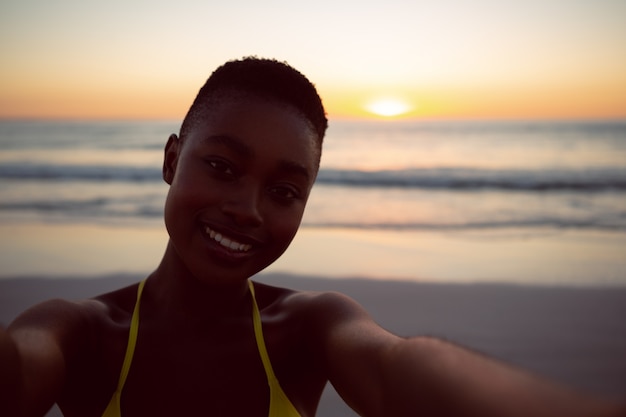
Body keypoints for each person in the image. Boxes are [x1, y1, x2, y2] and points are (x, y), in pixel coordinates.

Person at [1, 57, 624, 417]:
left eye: (284, 190)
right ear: (171, 159)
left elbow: (398, 367)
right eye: (220, 166)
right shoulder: (77, 333)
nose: (246, 209)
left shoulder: (309, 328)